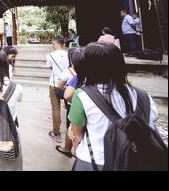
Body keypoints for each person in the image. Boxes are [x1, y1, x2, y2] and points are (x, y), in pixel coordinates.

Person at [68, 42, 159, 170]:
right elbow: (151, 125)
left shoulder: (82, 95)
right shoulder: (144, 96)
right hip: (137, 161)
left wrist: (75, 148)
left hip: (95, 161)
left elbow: (76, 137)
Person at [54, 48, 85, 158]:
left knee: (73, 129)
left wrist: (73, 99)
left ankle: (71, 150)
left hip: (75, 106)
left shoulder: (76, 77)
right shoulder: (93, 75)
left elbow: (66, 94)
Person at [46, 36, 70, 143]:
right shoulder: (69, 54)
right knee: (69, 107)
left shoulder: (50, 55)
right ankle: (70, 131)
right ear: (63, 44)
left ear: (53, 43)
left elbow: (51, 68)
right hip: (68, 84)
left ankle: (57, 133)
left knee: (56, 108)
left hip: (54, 83)